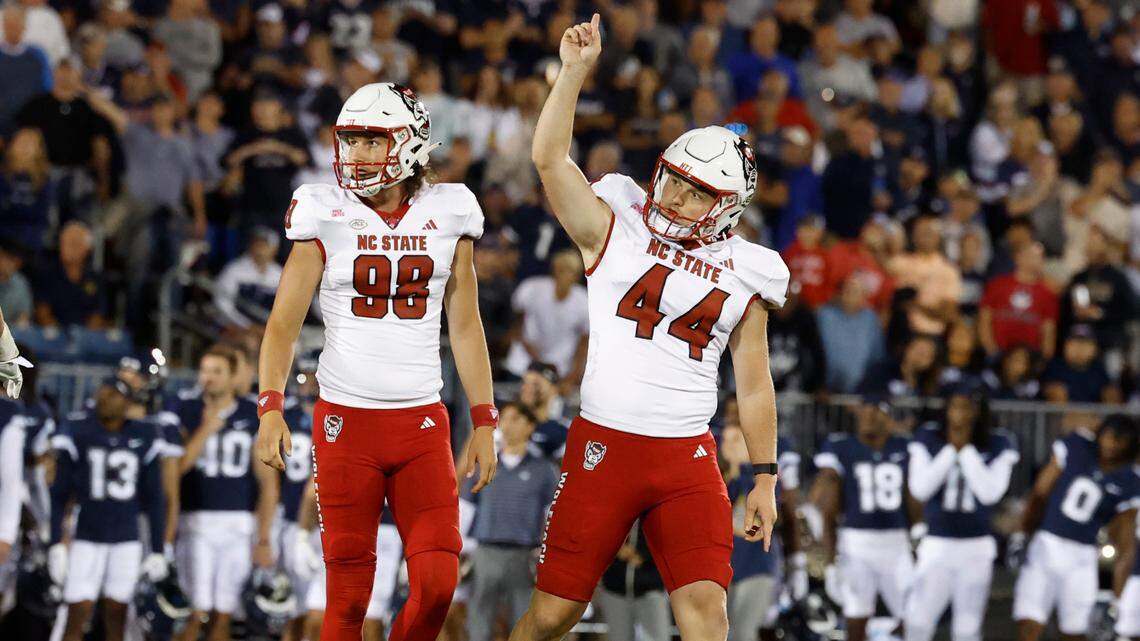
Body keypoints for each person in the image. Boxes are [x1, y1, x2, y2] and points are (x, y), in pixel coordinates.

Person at [511, 15, 787, 641]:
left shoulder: (750, 269)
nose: (673, 199)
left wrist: (766, 477)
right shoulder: (621, 222)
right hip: (604, 444)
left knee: (706, 618)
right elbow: (549, 160)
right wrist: (575, 73)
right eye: (674, 181)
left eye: (695, 194)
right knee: (554, 614)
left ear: (727, 209)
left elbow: (755, 379)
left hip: (687, 456)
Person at [253, 81, 498, 641]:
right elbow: (283, 324)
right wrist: (269, 408)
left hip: (420, 423)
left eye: (371, 141)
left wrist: (484, 419)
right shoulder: (324, 210)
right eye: (351, 141)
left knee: (437, 585)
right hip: (346, 422)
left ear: (410, 144)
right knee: (346, 598)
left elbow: (464, 325)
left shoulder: (451, 210)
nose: (356, 155)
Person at [47, 379, 167, 641]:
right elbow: (59, 494)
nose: (104, 399)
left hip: (126, 537)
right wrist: (56, 541)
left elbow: (155, 498)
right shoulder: (79, 431)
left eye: (112, 395)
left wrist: (158, 549)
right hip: (87, 535)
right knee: (77, 610)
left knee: (118, 613)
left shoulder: (144, 434)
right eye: (101, 394)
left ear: (127, 402)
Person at [175, 346, 276, 641]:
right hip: (195, 520)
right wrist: (207, 427)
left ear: (234, 377)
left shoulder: (252, 413)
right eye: (204, 370)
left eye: (217, 372)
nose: (208, 378)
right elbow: (178, 467)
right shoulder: (186, 409)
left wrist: (264, 537)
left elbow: (267, 483)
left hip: (239, 523)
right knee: (194, 611)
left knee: (224, 611)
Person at [905, 382, 1020, 641]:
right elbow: (920, 489)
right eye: (956, 406)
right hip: (937, 544)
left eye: (968, 407)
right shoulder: (929, 435)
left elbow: (990, 492)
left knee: (967, 629)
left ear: (979, 412)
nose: (961, 414)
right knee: (918, 621)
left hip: (976, 546)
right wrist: (950, 450)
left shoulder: (999, 440)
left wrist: (966, 450)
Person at [1011, 414, 1140, 641]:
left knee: (1075, 632)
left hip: (1082, 557)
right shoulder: (1079, 445)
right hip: (1046, 544)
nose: (1112, 443)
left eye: (1121, 440)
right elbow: (1040, 493)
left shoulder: (1129, 480)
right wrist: (1021, 533)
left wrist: (1115, 602)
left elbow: (1127, 546)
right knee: (1029, 623)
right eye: (1110, 436)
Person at [813, 394, 912, 641]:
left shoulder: (904, 447)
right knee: (856, 618)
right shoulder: (842, 447)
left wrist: (920, 534)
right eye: (865, 412)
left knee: (914, 616)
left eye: (875, 412)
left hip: (897, 542)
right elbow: (828, 506)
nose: (868, 418)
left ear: (889, 419)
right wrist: (830, 560)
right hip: (856, 543)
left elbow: (915, 499)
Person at [465, 403, 558, 641]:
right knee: (479, 619)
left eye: (515, 418)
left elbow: (551, 516)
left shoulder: (544, 470)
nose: (507, 424)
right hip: (485, 551)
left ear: (529, 426)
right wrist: (461, 551)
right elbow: (465, 509)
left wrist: (546, 556)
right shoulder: (484, 463)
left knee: (523, 621)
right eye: (504, 419)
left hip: (524, 555)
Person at [721, 423, 805, 641]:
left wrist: (796, 562)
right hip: (724, 569)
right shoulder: (717, 478)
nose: (728, 446)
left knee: (746, 634)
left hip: (757, 568)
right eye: (726, 440)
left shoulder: (763, 479)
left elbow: (754, 524)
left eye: (736, 440)